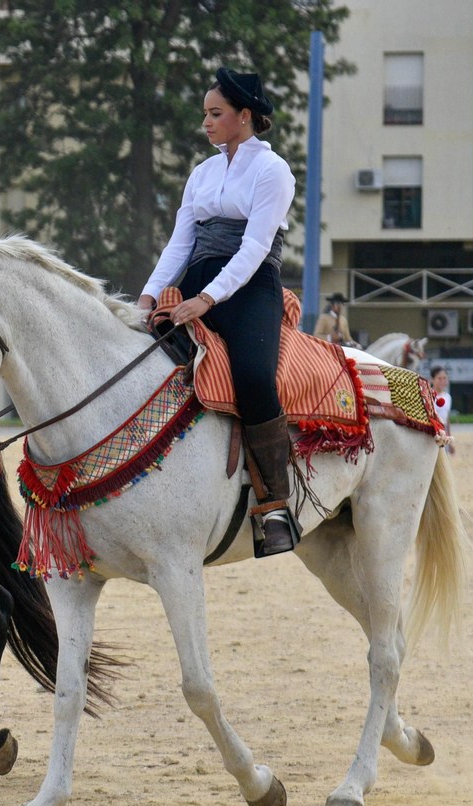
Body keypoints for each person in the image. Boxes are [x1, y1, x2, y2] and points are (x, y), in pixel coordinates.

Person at [137, 67, 298, 557]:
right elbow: (179, 244)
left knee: (252, 375)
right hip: (194, 280)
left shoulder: (273, 171)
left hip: (250, 288)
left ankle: (274, 504)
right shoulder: (201, 174)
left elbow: (253, 249)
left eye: (215, 114)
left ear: (244, 116)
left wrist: (208, 299)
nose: (205, 123)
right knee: (146, 356)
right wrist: (147, 297)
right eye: (205, 114)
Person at [429, 365, 455, 456]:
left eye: (444, 378)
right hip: (432, 432)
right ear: (432, 379)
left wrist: (450, 441)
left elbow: (447, 420)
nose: (442, 381)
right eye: (439, 378)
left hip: (443, 433)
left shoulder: (448, 397)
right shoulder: (428, 396)